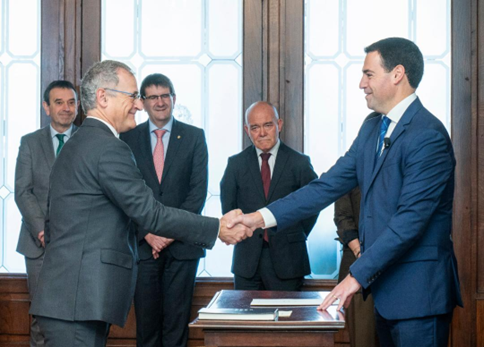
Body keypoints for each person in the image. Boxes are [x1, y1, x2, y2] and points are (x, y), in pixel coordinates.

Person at [231, 38, 463, 346]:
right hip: (384, 293)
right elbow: (326, 186)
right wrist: (258, 218)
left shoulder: (428, 135)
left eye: (368, 74)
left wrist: (354, 277)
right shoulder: (371, 127)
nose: (360, 84)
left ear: (397, 74)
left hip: (419, 297)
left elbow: (410, 221)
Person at [29, 60, 252, 347]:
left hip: (74, 297)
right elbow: (149, 212)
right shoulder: (107, 147)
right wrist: (217, 228)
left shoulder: (82, 141)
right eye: (133, 96)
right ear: (103, 97)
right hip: (77, 300)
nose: (138, 105)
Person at [121, 73, 208, 347]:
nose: (160, 102)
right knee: (146, 328)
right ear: (143, 103)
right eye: (152, 97)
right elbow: (123, 194)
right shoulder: (127, 138)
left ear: (173, 98)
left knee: (176, 327)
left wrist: (169, 232)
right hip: (143, 247)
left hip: (182, 247)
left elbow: (197, 193)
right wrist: (148, 234)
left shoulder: (194, 137)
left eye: (164, 95)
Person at [220, 101, 318, 291]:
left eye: (268, 125)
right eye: (255, 127)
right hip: (247, 260)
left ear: (279, 125)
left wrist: (297, 233)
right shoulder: (235, 165)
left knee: (286, 318)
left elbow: (313, 205)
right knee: (246, 320)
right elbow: (229, 208)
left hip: (289, 258)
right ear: (247, 130)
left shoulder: (299, 163)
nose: (262, 133)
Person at [15, 80, 79, 347]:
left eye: (72, 102)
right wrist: (43, 230)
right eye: (59, 102)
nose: (66, 108)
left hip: (79, 245)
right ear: (46, 107)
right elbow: (23, 191)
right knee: (42, 318)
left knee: (76, 318)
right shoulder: (30, 143)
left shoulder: (90, 141)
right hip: (38, 246)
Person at [334, 187, 379, 347]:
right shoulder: (352, 165)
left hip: (399, 270)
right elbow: (343, 218)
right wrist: (362, 256)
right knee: (363, 339)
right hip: (357, 268)